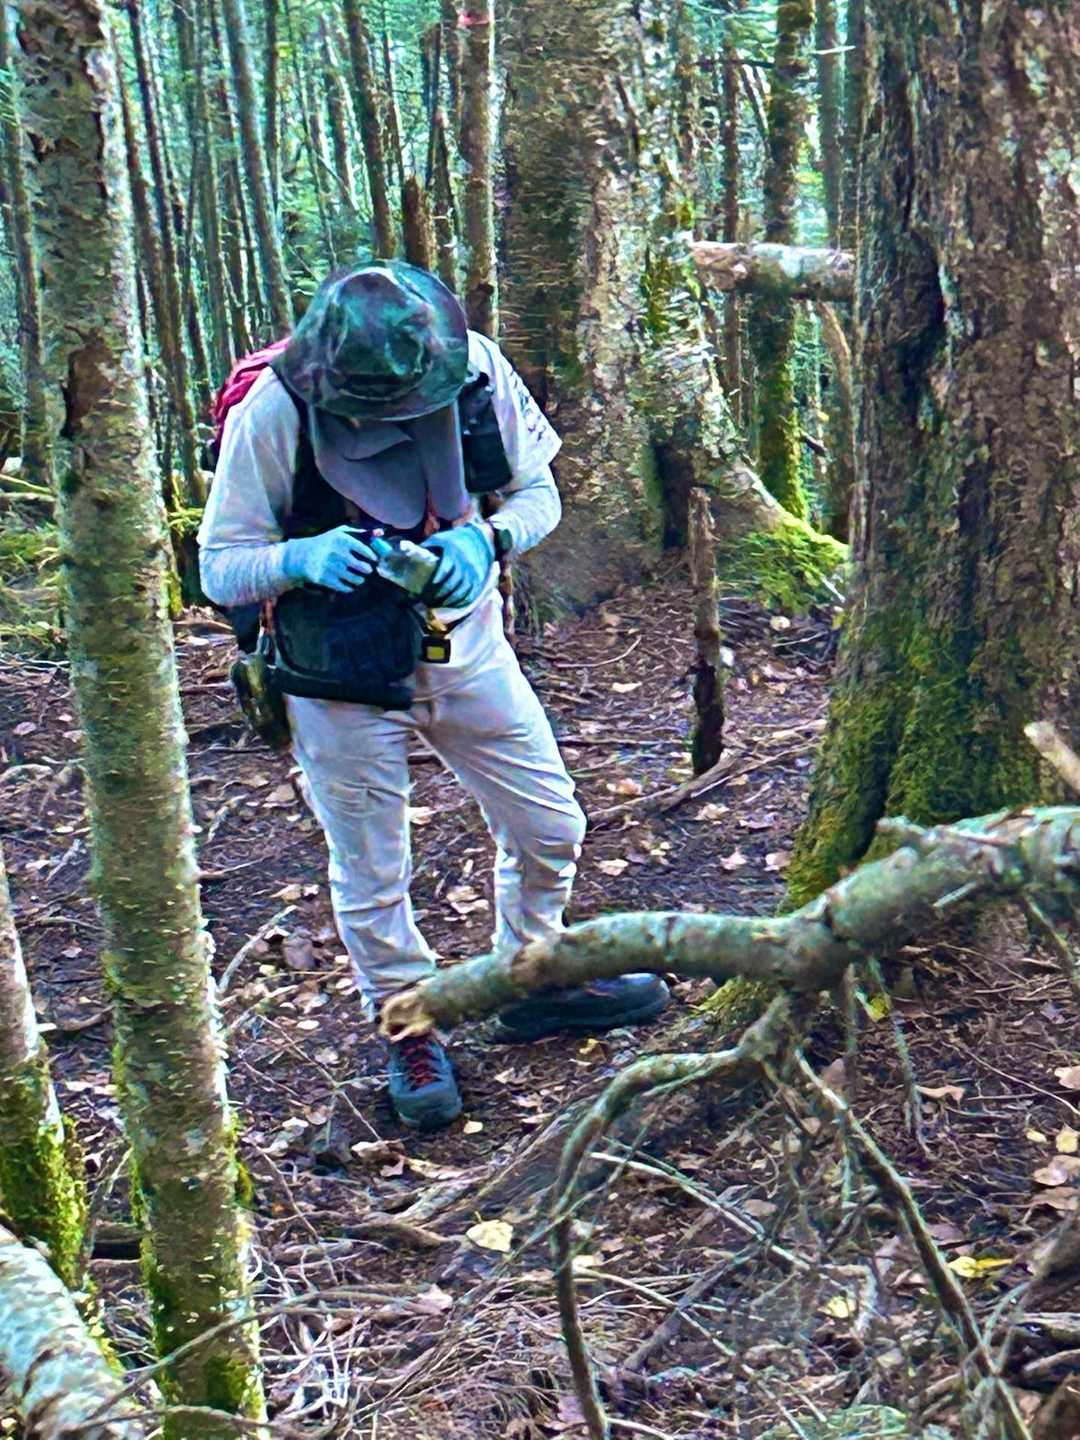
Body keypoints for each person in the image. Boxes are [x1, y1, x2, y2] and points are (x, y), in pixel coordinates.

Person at [198, 261, 669, 1130]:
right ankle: (409, 1024)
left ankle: (533, 974)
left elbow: (540, 495)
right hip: (337, 676)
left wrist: (488, 541)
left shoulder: (477, 370)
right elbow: (219, 565)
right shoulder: (276, 409)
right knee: (372, 868)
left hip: (468, 648)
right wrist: (301, 559)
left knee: (551, 824)